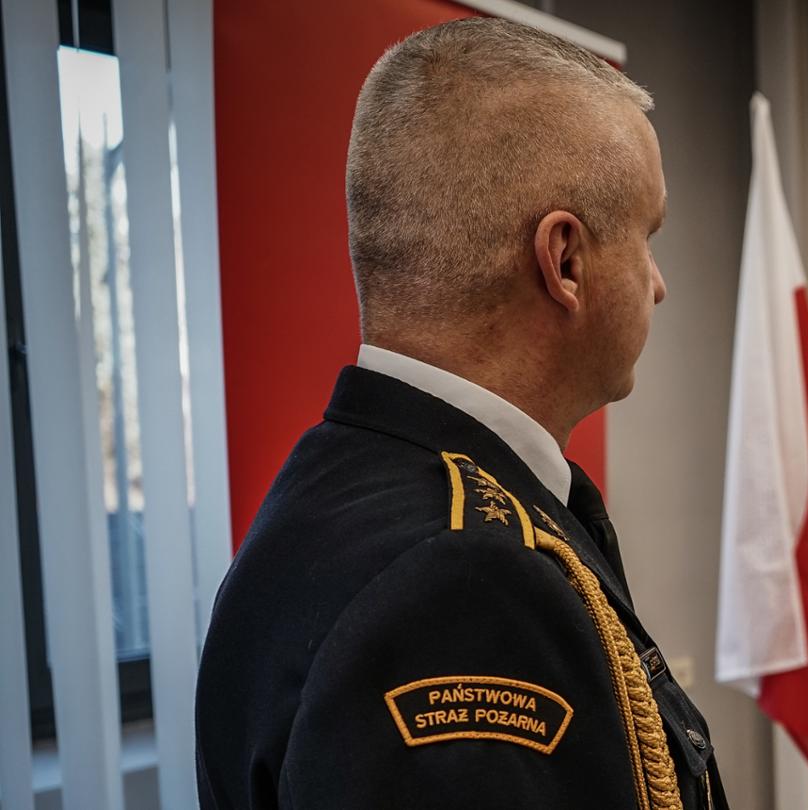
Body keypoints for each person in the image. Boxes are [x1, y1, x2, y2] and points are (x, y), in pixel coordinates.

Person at [195, 19, 725, 809]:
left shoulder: (342, 486)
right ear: (566, 261)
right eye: (646, 238)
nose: (657, 284)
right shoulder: (460, 586)